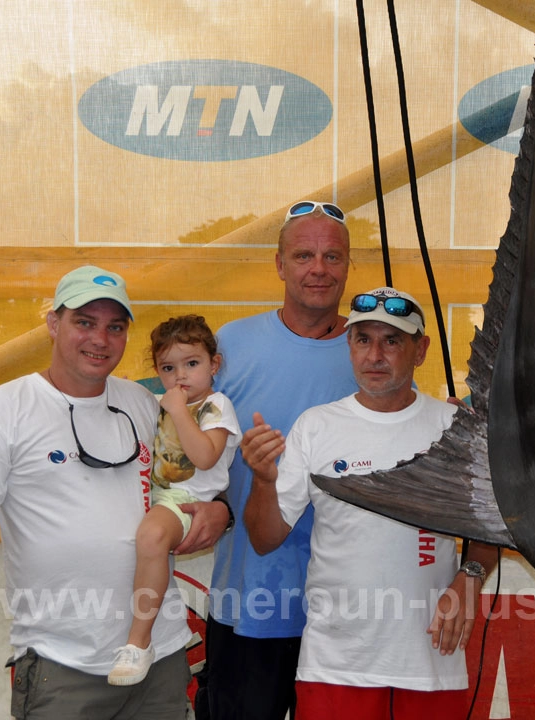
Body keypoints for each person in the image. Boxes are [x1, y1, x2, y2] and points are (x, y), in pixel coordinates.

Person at [0, 265, 231, 720]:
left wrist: (220, 512)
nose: (100, 339)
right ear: (53, 324)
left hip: (161, 657)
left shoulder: (144, 403)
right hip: (62, 666)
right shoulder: (0, 410)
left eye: (115, 327)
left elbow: (196, 475)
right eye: (84, 322)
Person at [241, 287, 499, 720]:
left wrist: (470, 576)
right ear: (350, 346)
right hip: (335, 665)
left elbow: (489, 527)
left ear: (421, 350)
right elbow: (266, 538)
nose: (375, 355)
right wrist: (264, 482)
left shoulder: (456, 425)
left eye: (392, 340)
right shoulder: (316, 426)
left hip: (431, 662)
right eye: (363, 340)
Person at [200, 201, 359, 720]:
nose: (319, 269)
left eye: (333, 256)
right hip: (251, 599)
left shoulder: (374, 351)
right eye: (304, 255)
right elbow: (196, 455)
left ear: (349, 265)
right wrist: (217, 503)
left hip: (347, 611)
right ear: (279, 264)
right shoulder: (231, 345)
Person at [108, 315, 241, 686]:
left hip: (186, 499)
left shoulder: (216, 407)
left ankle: (139, 642)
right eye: (169, 368)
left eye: (192, 364)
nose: (180, 376)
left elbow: (205, 457)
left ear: (214, 365)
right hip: (152, 492)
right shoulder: (160, 403)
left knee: (150, 537)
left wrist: (180, 410)